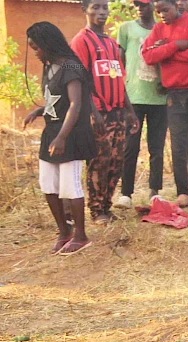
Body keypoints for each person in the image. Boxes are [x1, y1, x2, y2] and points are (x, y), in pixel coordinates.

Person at [24, 22, 96, 255]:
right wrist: (40, 110)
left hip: (70, 134)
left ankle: (81, 236)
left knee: (69, 186)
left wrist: (63, 137)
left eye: (37, 48)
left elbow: (75, 104)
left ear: (48, 44)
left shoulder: (71, 67)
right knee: (48, 185)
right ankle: (64, 231)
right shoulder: (49, 67)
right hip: (52, 132)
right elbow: (57, 99)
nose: (36, 53)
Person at [71, 0, 139, 224]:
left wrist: (129, 111)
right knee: (99, 162)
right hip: (98, 113)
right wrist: (93, 113)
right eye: (96, 7)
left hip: (118, 112)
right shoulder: (81, 41)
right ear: (85, 10)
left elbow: (118, 80)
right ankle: (96, 209)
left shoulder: (111, 43)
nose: (101, 13)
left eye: (104, 8)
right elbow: (80, 81)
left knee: (116, 161)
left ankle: (107, 206)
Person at [143, 0, 188, 208]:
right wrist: (174, 45)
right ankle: (183, 192)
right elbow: (147, 56)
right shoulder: (158, 29)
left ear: (176, 6)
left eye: (166, 9)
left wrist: (165, 54)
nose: (162, 14)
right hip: (173, 92)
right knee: (177, 141)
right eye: (158, 11)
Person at [115, 0, 168, 208]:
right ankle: (126, 193)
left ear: (153, 6)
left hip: (159, 98)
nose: (139, 8)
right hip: (133, 99)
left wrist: (167, 83)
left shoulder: (163, 29)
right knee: (131, 146)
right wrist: (121, 92)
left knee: (157, 147)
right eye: (136, 4)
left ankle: (154, 191)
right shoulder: (126, 28)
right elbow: (120, 62)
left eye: (144, 4)